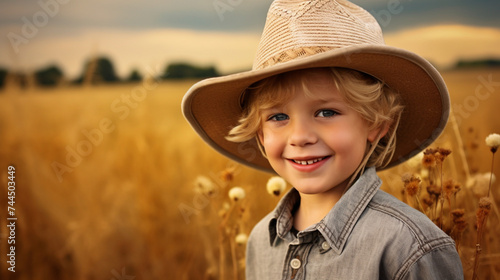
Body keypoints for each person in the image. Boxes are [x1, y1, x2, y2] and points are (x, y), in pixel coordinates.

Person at [182, 0, 464, 279]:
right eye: (278, 117)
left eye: (326, 112)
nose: (300, 137)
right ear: (260, 132)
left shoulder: (410, 247)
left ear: (377, 124)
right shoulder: (261, 241)